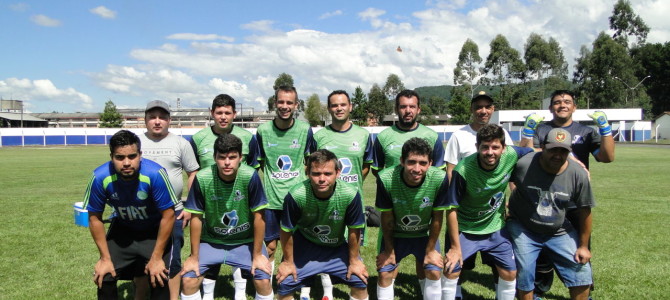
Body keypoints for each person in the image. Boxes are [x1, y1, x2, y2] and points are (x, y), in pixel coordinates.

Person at [519, 89, 614, 297]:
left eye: (567, 101)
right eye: (557, 102)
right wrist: (528, 131)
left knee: (579, 249)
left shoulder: (586, 131)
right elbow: (524, 154)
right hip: (544, 199)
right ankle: (539, 289)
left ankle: (583, 290)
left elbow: (607, 157)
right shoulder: (541, 129)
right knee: (541, 252)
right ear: (550, 107)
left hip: (573, 201)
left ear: (574, 107)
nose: (562, 105)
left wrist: (605, 129)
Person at [442, 124, 534, 300]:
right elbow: (451, 209)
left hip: (496, 227)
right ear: (477, 147)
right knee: (451, 269)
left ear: (504, 148)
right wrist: (455, 247)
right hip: (467, 229)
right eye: (485, 147)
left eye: (495, 147)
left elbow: (534, 152)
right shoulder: (463, 170)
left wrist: (573, 160)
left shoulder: (512, 154)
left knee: (509, 272)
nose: (490, 152)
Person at [84, 130, 178, 300]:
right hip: (123, 229)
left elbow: (169, 215)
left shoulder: (155, 174)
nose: (126, 163)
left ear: (140, 155)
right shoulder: (100, 177)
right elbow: (94, 218)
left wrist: (156, 257)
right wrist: (105, 258)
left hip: (153, 231)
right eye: (120, 157)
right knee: (104, 275)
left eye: (132, 156)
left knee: (159, 275)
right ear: (111, 156)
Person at [180, 134, 274, 300]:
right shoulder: (202, 178)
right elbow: (196, 218)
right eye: (222, 157)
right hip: (212, 241)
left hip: (245, 241)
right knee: (189, 279)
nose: (227, 162)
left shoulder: (250, 176)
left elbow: (259, 217)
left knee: (263, 281)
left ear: (240, 158)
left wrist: (258, 254)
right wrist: (193, 257)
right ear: (215, 157)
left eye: (232, 157)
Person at [508, 128, 595, 300]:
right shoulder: (524, 163)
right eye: (553, 149)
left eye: (563, 151)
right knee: (525, 270)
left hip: (559, 229)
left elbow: (585, 210)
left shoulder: (578, 174)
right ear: (543, 147)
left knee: (581, 270)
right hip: (524, 227)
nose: (557, 155)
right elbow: (500, 177)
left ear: (569, 152)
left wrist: (583, 246)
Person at [443, 91, 514, 299]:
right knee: (458, 265)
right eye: (478, 107)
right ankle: (455, 294)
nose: (483, 110)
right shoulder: (459, 135)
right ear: (472, 110)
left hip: (494, 214)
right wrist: (456, 199)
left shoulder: (504, 135)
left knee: (502, 268)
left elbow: (509, 166)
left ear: (492, 109)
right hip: (466, 213)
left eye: (487, 106)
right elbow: (451, 171)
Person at [190, 94, 260, 299]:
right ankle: (208, 293)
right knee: (210, 242)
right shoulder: (198, 138)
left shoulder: (248, 137)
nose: (223, 117)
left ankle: (239, 291)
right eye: (219, 112)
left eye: (227, 112)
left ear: (234, 114)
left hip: (240, 200)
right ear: (212, 113)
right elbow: (193, 171)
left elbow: (254, 169)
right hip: (210, 201)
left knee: (239, 240)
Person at [128, 100, 199, 300]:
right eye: (152, 117)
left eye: (162, 117)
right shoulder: (135, 142)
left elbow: (192, 173)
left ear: (169, 120)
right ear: (145, 120)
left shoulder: (181, 144)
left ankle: (173, 297)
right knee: (141, 260)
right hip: (141, 212)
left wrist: (190, 207)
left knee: (173, 261)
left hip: (173, 211)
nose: (157, 121)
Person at [275, 149, 369, 300]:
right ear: (308, 173)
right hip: (305, 245)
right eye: (316, 174)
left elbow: (354, 230)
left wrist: (354, 261)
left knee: (359, 280)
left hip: (337, 246)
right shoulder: (296, 195)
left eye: (327, 174)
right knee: (285, 283)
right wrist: (287, 262)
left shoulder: (350, 194)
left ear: (338, 173)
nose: (322, 179)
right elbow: (286, 231)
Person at [375, 137, 460, 300]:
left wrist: (430, 251)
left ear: (430, 163)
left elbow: (437, 218)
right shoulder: (386, 178)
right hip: (396, 235)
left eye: (422, 163)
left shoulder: (439, 178)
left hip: (423, 235)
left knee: (434, 269)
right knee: (385, 273)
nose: (416, 168)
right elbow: (387, 220)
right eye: (411, 162)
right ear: (401, 161)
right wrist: (389, 251)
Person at [310, 90, 373, 300]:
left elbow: (365, 167)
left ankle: (354, 289)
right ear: (329, 108)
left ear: (350, 106)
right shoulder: (319, 136)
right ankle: (327, 293)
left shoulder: (363, 135)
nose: (339, 108)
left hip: (353, 201)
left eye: (343, 104)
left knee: (354, 246)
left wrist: (350, 184)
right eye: (335, 105)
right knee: (327, 243)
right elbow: (311, 167)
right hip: (327, 203)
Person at [256, 85, 316, 268]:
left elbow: (311, 163)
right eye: (281, 101)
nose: (285, 106)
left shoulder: (305, 130)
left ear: (296, 105)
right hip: (271, 201)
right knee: (271, 246)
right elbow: (261, 163)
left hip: (297, 200)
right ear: (275, 103)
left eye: (289, 102)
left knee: (295, 245)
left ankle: (298, 285)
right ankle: (267, 287)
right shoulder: (263, 131)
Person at [371, 89, 445, 178]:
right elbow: (377, 170)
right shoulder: (383, 137)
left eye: (412, 106)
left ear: (418, 109)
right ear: (396, 109)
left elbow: (440, 170)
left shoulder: (432, 136)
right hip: (394, 191)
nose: (408, 111)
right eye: (403, 107)